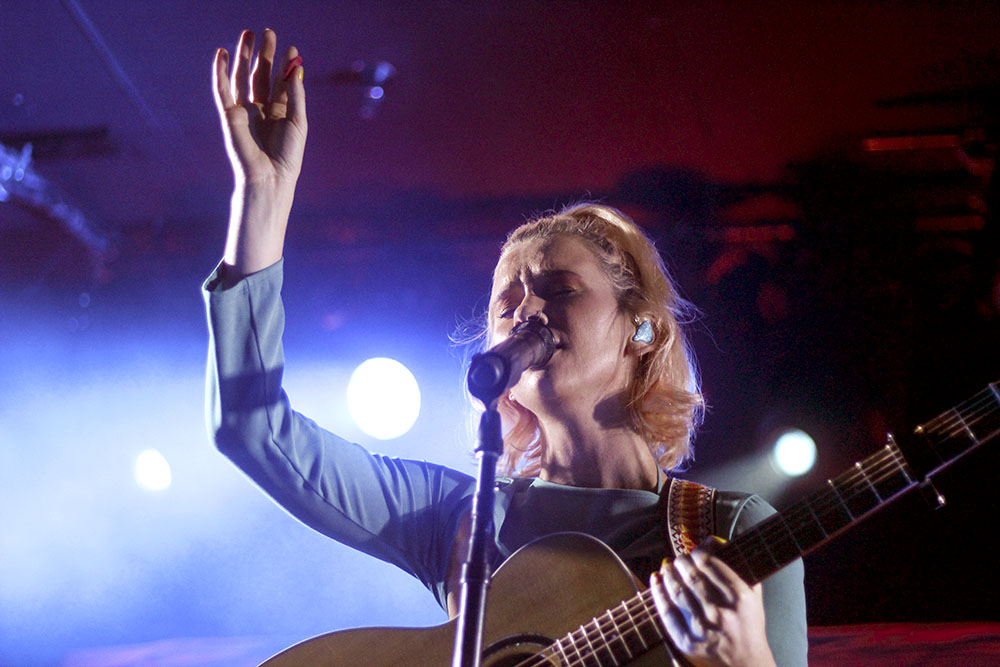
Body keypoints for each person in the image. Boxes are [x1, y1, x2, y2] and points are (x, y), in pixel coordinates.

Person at [204, 29, 808, 667]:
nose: (526, 310)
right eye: (506, 302)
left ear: (644, 329)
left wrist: (745, 662)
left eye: (559, 288)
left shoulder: (731, 531)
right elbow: (255, 431)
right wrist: (261, 203)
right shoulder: (463, 520)